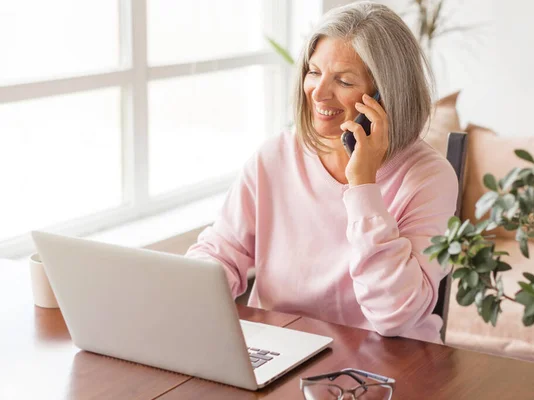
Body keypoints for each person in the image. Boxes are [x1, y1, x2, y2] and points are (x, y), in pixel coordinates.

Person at [186, 1, 458, 344]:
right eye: (314, 72)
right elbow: (221, 252)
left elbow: (395, 316)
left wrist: (363, 188)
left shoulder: (429, 178)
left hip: (386, 364)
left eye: (343, 80)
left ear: (386, 97)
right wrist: (184, 290)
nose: (318, 91)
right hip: (282, 347)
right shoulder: (275, 157)